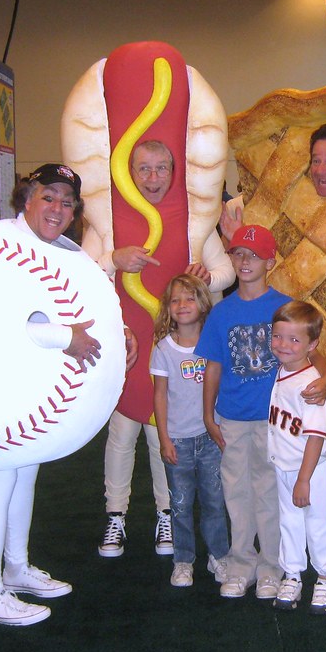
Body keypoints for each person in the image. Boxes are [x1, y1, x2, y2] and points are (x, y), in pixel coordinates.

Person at [0, 162, 119, 626]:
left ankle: (14, 567)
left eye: (67, 202)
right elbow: (1, 317)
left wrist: (121, 334)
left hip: (27, 383)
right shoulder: (0, 243)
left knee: (24, 473)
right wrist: (64, 339)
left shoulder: (59, 250)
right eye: (48, 197)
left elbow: (85, 305)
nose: (57, 208)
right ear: (26, 198)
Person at [219, 123, 326, 567]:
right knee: (282, 440)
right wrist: (230, 236)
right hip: (285, 349)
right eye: (316, 159)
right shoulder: (277, 205)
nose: (322, 168)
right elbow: (248, 258)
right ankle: (289, 531)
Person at [97, 140, 235, 559]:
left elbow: (225, 269)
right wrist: (113, 259)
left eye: (161, 169)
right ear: (129, 171)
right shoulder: (107, 217)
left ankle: (166, 514)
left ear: (175, 172)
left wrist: (205, 277)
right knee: (122, 433)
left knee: (164, 428)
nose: (153, 179)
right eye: (144, 169)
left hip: (175, 349)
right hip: (126, 344)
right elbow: (81, 272)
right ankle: (115, 516)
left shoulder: (195, 219)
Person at [196, 224, 326, 599]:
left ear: (270, 261)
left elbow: (314, 350)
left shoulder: (284, 306)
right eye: (238, 253)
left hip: (276, 420)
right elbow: (213, 366)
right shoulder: (222, 312)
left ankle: (273, 565)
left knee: (271, 492)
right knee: (236, 492)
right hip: (233, 418)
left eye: (254, 255)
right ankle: (242, 563)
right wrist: (209, 416)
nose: (244, 261)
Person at [150, 273, 230, 588]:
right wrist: (164, 439)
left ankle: (219, 555)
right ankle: (183, 560)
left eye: (189, 298)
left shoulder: (213, 344)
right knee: (180, 503)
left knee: (214, 500)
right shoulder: (164, 349)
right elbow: (159, 395)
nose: (183, 305)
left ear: (202, 303)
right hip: (178, 442)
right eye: (175, 300)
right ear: (168, 308)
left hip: (211, 439)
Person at [269, 300, 326, 615]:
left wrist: (303, 479)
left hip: (310, 470)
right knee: (290, 522)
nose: (284, 345)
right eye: (278, 336)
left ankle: (325, 578)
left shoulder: (313, 386)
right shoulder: (285, 369)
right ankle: (293, 573)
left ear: (311, 345)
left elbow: (314, 437)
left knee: (318, 522)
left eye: (294, 340)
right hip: (286, 465)